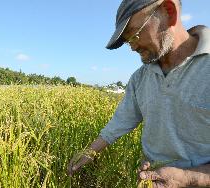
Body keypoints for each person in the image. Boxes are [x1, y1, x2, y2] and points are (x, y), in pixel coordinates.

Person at [67, 0, 210, 187]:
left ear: (169, 11)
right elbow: (120, 122)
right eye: (128, 42)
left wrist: (187, 178)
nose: (133, 47)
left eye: (134, 35)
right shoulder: (140, 78)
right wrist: (89, 152)